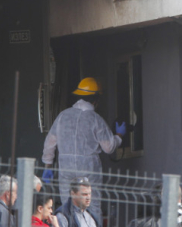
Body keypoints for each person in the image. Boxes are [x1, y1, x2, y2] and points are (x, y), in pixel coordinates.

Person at [41, 77, 126, 219]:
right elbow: (109, 147)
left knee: (67, 207)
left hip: (66, 168)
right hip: (88, 169)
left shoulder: (63, 116)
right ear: (95, 100)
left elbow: (49, 143)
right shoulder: (94, 118)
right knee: (92, 206)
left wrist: (47, 167)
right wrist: (119, 135)